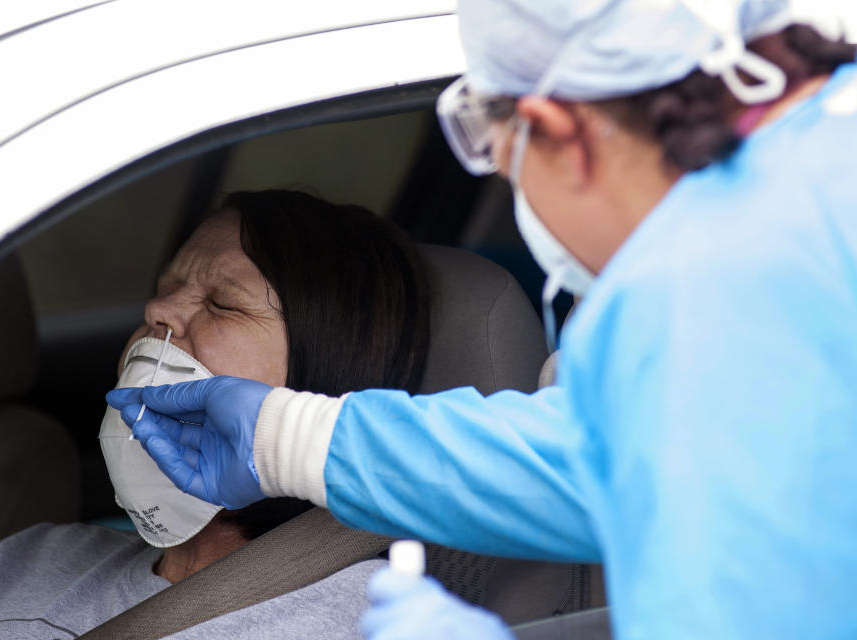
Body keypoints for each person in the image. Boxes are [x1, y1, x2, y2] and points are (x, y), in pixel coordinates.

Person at [110, 1, 857, 638]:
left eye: (493, 149)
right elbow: (605, 459)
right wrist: (289, 439)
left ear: (558, 131)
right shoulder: (784, 213)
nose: (507, 182)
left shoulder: (737, 284)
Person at [0, 189, 430, 640]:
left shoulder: (368, 623)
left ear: (323, 377)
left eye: (222, 304)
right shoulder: (31, 556)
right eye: (163, 293)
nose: (158, 312)